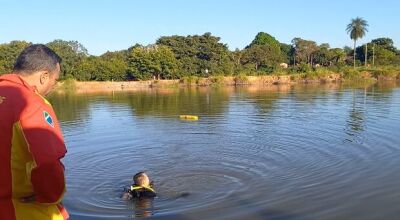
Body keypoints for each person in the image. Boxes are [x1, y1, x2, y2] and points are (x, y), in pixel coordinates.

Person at [0, 44, 68, 219]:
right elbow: (47, 161)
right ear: (44, 76)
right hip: (22, 210)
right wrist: (49, 196)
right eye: (55, 80)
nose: (53, 86)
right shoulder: (32, 103)